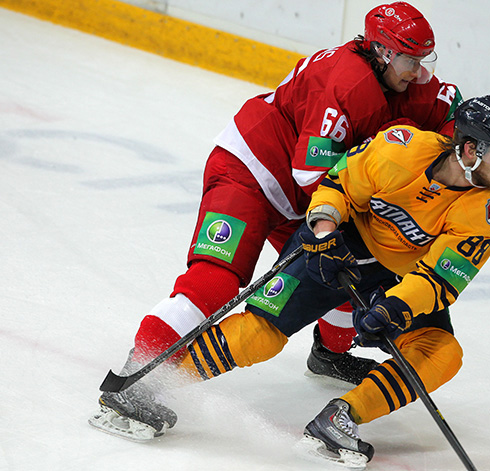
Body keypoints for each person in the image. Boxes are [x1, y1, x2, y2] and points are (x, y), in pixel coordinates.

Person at [90, 1, 464, 440]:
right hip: (251, 172)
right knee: (217, 279)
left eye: (423, 60)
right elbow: (311, 173)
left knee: (342, 266)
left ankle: (329, 354)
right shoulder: (346, 84)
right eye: (409, 60)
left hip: (300, 199)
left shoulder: (408, 81)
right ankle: (137, 375)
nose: (418, 71)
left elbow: (455, 117)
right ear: (381, 51)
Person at [94, 95, 490, 468]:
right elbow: (337, 185)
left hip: (395, 277)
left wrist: (394, 307)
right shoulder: (402, 148)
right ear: (469, 149)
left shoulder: (486, 212)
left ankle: (340, 417)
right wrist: (323, 232)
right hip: (335, 244)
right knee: (262, 333)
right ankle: (152, 386)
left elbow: (438, 279)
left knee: (441, 352)